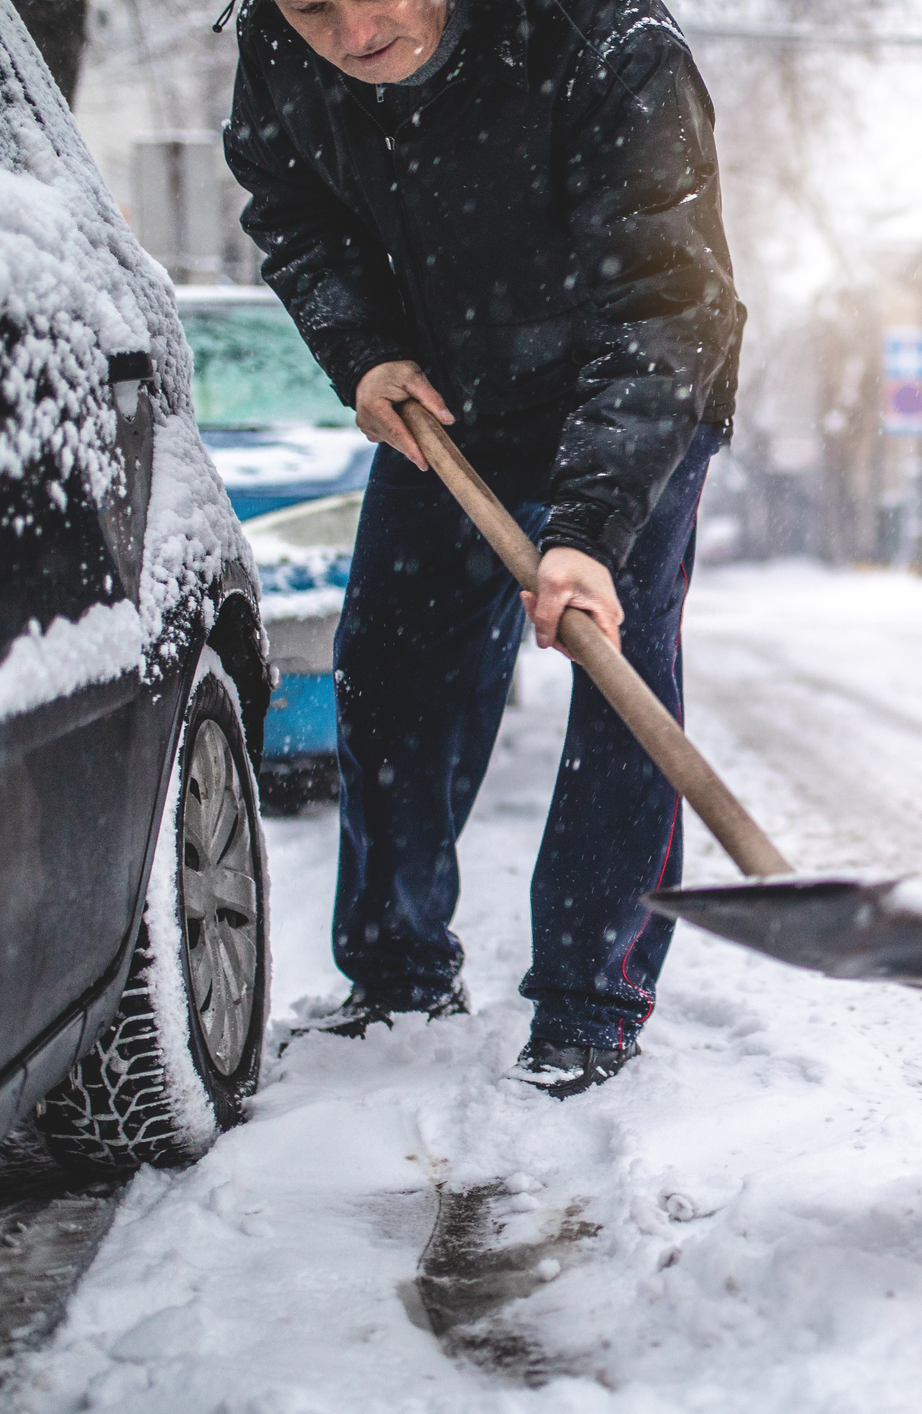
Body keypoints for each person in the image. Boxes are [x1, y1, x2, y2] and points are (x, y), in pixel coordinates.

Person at [222, 0, 744, 1096]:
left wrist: (588, 529)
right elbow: (292, 207)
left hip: (634, 384)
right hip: (451, 396)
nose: (356, 33)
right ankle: (398, 969)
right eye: (314, 7)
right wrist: (362, 349)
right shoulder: (277, 45)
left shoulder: (609, 46)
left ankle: (590, 996)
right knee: (392, 660)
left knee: (617, 663)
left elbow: (664, 304)